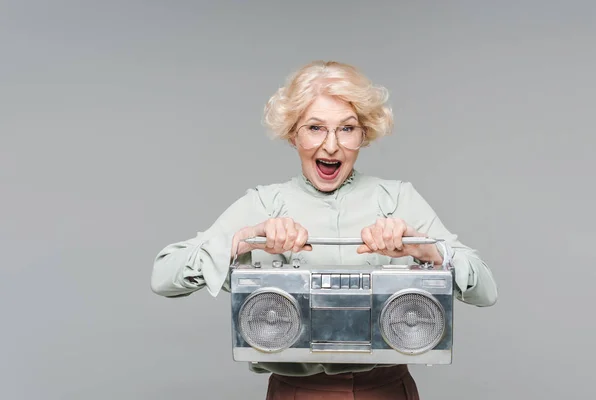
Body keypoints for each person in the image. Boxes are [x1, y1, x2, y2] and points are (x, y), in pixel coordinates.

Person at [150, 60, 498, 399]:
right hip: (297, 392)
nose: (331, 146)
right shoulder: (265, 203)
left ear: (364, 135)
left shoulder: (398, 199)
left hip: (386, 390)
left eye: (346, 129)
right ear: (292, 134)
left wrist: (428, 251)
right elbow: (164, 276)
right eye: (315, 127)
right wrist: (242, 240)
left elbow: (486, 290)